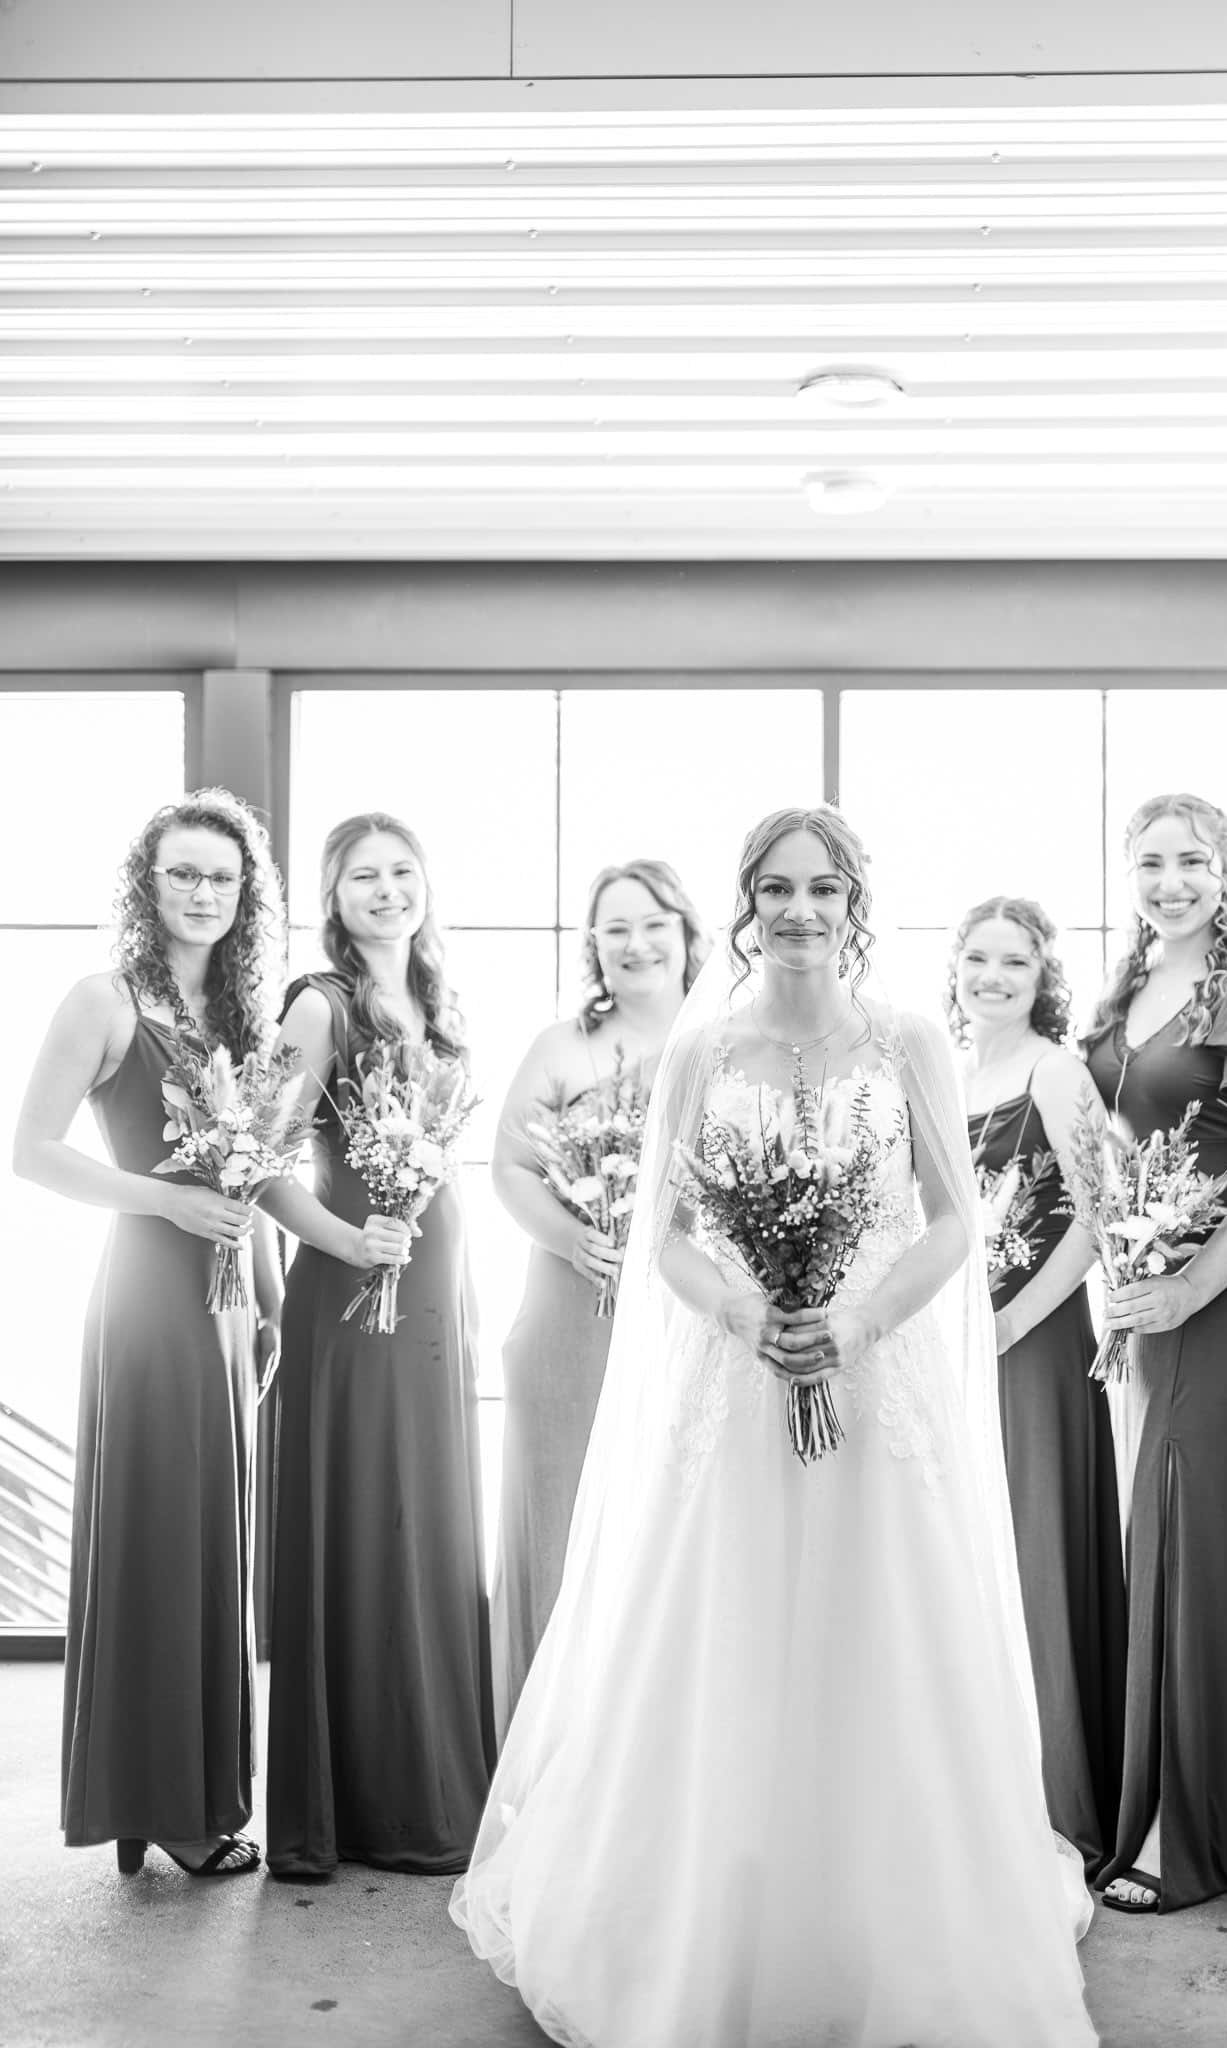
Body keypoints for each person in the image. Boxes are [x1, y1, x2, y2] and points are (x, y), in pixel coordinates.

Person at [452, 805, 1096, 2048]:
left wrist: (858, 1321)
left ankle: (890, 1919)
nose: (801, 909)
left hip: (877, 1378)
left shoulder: (910, 1040)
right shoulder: (707, 1050)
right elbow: (666, 1236)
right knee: (728, 1629)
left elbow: (952, 1223)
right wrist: (747, 1310)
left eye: (824, 887)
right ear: (747, 903)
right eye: (778, 888)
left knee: (879, 1629)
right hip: (736, 1380)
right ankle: (711, 1916)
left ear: (856, 902)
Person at [13, 789, 285, 1877]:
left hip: (228, 1304)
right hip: (146, 1296)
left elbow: (256, 1180)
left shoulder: (245, 1018)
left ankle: (186, 1791)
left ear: (245, 894)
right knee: (158, 1534)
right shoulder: (104, 1000)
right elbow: (32, 1151)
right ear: (148, 880)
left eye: (223, 877)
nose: (203, 892)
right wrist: (166, 1202)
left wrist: (269, 1298)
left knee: (210, 1544)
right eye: (183, 872)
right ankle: (156, 1800)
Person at [1082, 792, 1227, 1913]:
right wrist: (1127, 1272)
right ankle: (1184, 1803)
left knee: (1204, 1525)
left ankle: (1194, 1830)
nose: (1170, 881)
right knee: (1165, 1523)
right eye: (1149, 862)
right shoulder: (1125, 991)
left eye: (1191, 861)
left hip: (1225, 1287)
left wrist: (1187, 1287)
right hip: (1147, 1287)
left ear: (1225, 872)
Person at [261, 812, 494, 1877]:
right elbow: (257, 1165)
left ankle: (435, 1777)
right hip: (355, 1298)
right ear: (333, 894)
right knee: (367, 1523)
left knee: (427, 1524)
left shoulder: (435, 1002)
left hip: (434, 1298)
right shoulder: (321, 1004)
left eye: (404, 870)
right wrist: (351, 1240)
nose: (388, 889)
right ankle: (370, 1805)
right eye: (364, 875)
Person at [490, 859, 707, 1733]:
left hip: (689, 1309)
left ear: (686, 932)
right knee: (565, 1510)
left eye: (653, 923)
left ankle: (662, 1738)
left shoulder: (724, 1038)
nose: (636, 943)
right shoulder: (562, 1046)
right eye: (615, 928)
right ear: (594, 945)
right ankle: (554, 1739)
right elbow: (510, 1166)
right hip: (570, 1306)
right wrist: (573, 1237)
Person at [950, 894, 1125, 1879]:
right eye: (978, 957)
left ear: (1042, 975)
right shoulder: (950, 1073)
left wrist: (1013, 1322)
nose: (994, 976)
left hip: (1035, 1339)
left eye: (1015, 960)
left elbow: (1101, 1216)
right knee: (969, 1557)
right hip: (956, 1344)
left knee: (1032, 1554)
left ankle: (1052, 1802)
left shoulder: (1055, 1071)